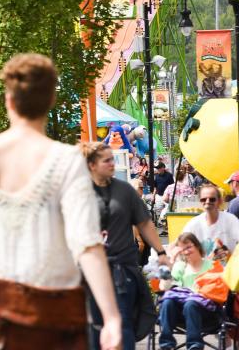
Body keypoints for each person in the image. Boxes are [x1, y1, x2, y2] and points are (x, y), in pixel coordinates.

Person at [0, 53, 122, 350]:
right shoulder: (65, 159)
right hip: (57, 315)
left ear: (9, 100)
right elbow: (87, 244)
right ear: (51, 100)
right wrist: (112, 317)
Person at [82, 141, 169, 350]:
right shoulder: (79, 192)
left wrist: (162, 252)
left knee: (122, 322)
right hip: (90, 269)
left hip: (122, 268)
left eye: (113, 159)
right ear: (92, 165)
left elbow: (145, 223)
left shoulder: (125, 191)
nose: (112, 164)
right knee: (94, 325)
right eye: (107, 160)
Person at [157, 232, 221, 350]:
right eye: (182, 249)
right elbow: (163, 288)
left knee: (191, 303)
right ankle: (166, 344)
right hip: (181, 315)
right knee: (167, 302)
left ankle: (194, 345)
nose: (186, 251)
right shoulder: (180, 267)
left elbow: (219, 290)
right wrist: (172, 259)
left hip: (207, 313)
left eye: (189, 247)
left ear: (197, 246)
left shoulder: (212, 266)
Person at [182, 183, 239, 257]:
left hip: (228, 267)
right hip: (203, 267)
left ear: (220, 201)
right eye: (203, 199)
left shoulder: (231, 220)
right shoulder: (193, 223)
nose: (207, 202)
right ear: (200, 202)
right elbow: (181, 244)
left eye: (212, 199)